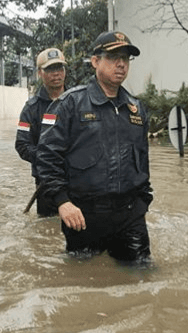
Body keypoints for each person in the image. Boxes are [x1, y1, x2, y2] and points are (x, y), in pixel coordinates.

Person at [36, 31, 152, 263]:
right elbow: (46, 156)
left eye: (126, 58)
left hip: (129, 216)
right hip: (83, 216)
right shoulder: (70, 104)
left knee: (142, 279)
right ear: (95, 61)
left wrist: (143, 201)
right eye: (113, 57)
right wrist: (62, 202)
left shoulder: (136, 109)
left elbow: (142, 160)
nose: (121, 64)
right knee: (82, 284)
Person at [15, 48, 67, 216]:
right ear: (39, 73)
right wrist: (47, 157)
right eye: (50, 69)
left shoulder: (78, 101)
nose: (56, 74)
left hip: (78, 179)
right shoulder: (31, 109)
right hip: (46, 182)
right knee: (48, 228)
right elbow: (22, 145)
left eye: (60, 68)